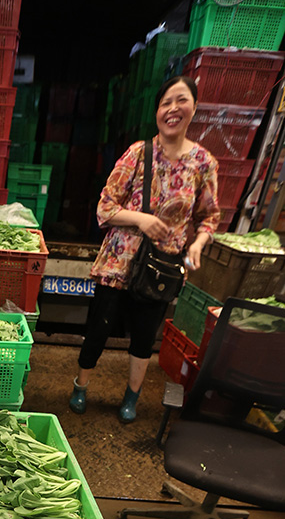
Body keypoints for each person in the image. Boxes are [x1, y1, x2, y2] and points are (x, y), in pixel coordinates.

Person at [69, 75, 220, 422]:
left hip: (162, 267)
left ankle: (131, 398)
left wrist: (197, 243)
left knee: (143, 336)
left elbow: (209, 216)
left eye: (181, 101)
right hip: (119, 261)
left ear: (194, 108)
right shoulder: (139, 153)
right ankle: (81, 385)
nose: (173, 109)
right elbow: (105, 207)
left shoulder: (203, 163)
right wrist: (140, 219)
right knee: (99, 328)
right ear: (157, 112)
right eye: (166, 102)